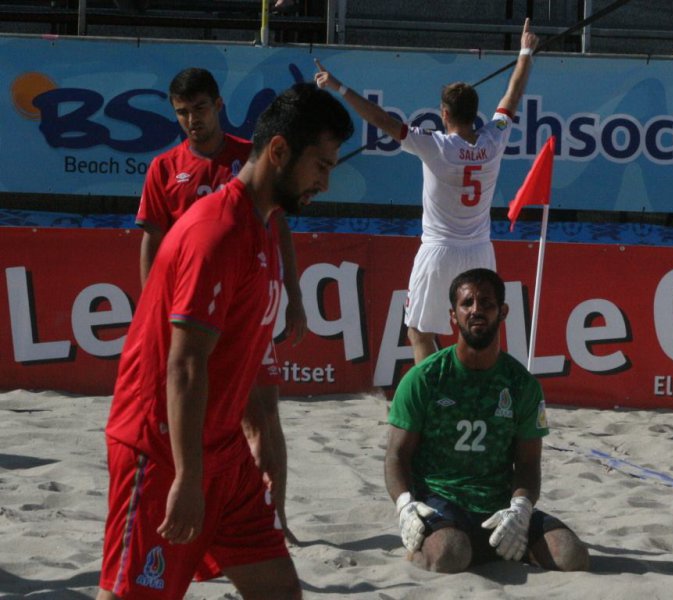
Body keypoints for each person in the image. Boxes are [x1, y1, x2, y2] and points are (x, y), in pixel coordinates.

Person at [97, 83, 354, 599]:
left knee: (280, 590)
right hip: (163, 448)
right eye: (320, 166)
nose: (325, 183)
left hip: (223, 451)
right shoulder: (216, 233)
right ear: (278, 151)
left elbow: (235, 360)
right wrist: (188, 477)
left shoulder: (262, 223)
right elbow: (185, 367)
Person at [136, 67, 304, 540]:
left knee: (263, 415)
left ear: (219, 106)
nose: (193, 120)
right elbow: (153, 242)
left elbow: (281, 227)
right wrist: (154, 308)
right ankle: (197, 513)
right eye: (183, 113)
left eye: (201, 109)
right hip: (191, 313)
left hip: (248, 307)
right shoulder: (164, 169)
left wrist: (293, 296)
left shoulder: (246, 160)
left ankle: (277, 519)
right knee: (188, 413)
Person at [314, 19, 537, 364]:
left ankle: (433, 404)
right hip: (480, 251)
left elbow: (381, 120)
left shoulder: (434, 145)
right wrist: (525, 50)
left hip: (439, 251)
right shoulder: (495, 138)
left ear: (444, 113)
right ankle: (476, 398)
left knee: (418, 332)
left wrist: (338, 86)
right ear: (476, 114)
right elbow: (513, 94)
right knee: (477, 333)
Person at [383, 268, 589, 574]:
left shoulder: (522, 384)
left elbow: (529, 463)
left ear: (502, 311)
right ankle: (428, 546)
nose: (476, 310)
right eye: (467, 303)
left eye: (486, 302)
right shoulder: (424, 378)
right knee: (451, 553)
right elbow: (396, 455)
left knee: (573, 556)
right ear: (453, 315)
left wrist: (520, 508)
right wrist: (404, 505)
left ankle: (497, 546)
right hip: (441, 500)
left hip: (499, 508)